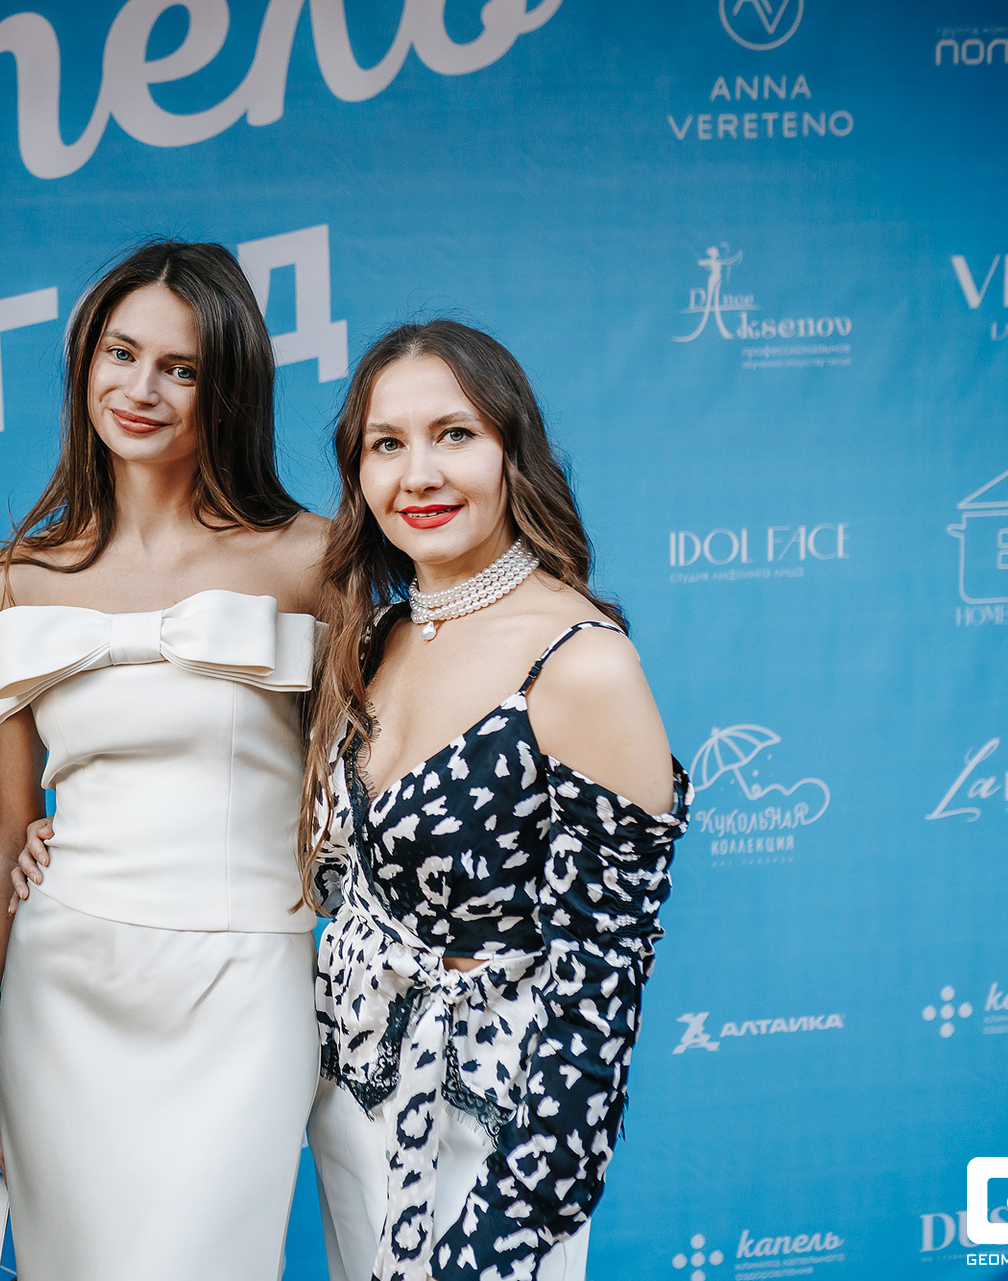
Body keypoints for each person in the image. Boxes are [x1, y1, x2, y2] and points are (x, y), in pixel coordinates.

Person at [0, 240, 328, 1280]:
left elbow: (364, 792)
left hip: (244, 989)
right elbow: (3, 837)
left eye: (182, 368)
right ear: (86, 364)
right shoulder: (15, 580)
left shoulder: (313, 558)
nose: (142, 389)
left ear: (230, 387)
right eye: (121, 354)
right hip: (62, 991)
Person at [301, 320, 690, 1281]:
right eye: (386, 444)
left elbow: (600, 985)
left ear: (513, 449)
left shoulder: (581, 661)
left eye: (454, 434)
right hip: (349, 1102)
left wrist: (503, 1230)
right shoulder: (373, 638)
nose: (419, 474)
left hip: (491, 1137)